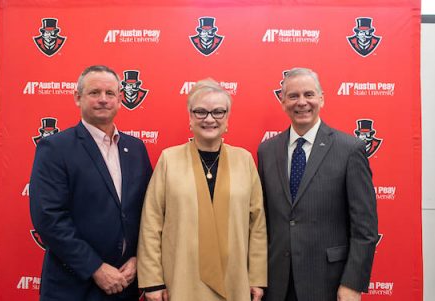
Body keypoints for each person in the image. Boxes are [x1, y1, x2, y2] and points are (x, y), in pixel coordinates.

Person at [137, 79, 267, 301]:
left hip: (233, 279)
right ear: (190, 117)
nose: (209, 119)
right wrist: (152, 281)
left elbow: (257, 225)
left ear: (227, 118)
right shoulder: (169, 159)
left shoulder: (244, 160)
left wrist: (256, 277)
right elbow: (152, 222)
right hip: (181, 279)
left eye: (218, 112)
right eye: (200, 112)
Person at [29, 65, 152, 300]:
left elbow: (149, 211)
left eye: (110, 93)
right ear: (78, 97)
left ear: (120, 99)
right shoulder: (55, 148)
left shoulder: (136, 149)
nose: (103, 100)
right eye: (94, 93)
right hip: (74, 286)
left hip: (125, 284)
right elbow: (49, 218)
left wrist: (139, 258)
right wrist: (95, 268)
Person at [257, 68, 378, 301]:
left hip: (329, 283)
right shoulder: (267, 151)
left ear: (321, 98)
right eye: (293, 96)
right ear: (282, 102)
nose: (302, 102)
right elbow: (263, 222)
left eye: (309, 94)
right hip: (277, 284)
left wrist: (352, 283)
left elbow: (365, 227)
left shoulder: (349, 149)